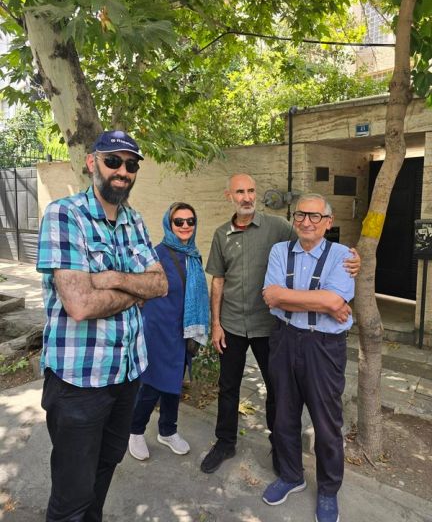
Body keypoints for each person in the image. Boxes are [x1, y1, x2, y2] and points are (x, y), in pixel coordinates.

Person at [37, 130, 168, 522]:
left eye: (131, 164)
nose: (122, 171)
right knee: (72, 495)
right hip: (79, 383)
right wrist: (135, 288)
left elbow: (160, 284)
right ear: (92, 162)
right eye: (113, 161)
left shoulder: (134, 220)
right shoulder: (65, 215)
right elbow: (79, 305)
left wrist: (110, 278)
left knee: (107, 465)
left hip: (127, 375)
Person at [200, 174, 359, 474]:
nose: (247, 197)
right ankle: (225, 442)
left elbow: (312, 241)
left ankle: (279, 446)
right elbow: (217, 281)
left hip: (267, 325)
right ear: (229, 196)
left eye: (251, 190)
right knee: (228, 386)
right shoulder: (222, 235)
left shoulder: (279, 226)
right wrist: (216, 324)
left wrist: (352, 260)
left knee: (277, 391)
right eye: (240, 192)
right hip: (232, 323)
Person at [261, 193, 354, 522]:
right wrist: (322, 301)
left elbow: (334, 301)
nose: (307, 222)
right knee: (284, 415)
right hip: (284, 339)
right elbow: (271, 297)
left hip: (324, 346)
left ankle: (328, 490)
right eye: (301, 215)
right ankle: (291, 476)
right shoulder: (279, 251)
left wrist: (293, 298)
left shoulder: (343, 255)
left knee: (327, 423)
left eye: (315, 216)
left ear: (328, 222)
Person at [128, 202, 209, 460]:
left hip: (183, 330)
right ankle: (135, 431)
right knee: (153, 383)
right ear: (169, 224)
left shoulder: (193, 255)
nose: (185, 226)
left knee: (174, 382)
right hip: (159, 330)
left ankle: (167, 430)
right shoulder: (157, 255)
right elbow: (138, 290)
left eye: (190, 221)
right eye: (179, 221)